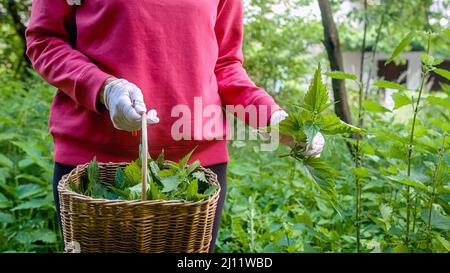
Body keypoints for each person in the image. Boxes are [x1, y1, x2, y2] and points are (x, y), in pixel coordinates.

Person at [25, 0, 324, 252]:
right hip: (95, 163)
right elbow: (44, 39)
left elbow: (225, 65)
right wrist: (104, 88)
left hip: (194, 170)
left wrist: (270, 117)